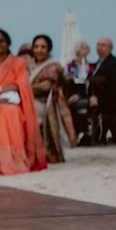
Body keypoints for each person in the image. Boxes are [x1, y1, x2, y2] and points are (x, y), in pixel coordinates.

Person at [0, 29, 47, 175]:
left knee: (9, 112)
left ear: (8, 43)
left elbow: (20, 85)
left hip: (10, 101)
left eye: (2, 41)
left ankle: (10, 160)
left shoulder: (17, 62)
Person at [29, 34, 76, 162]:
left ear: (49, 49)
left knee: (30, 110)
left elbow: (46, 87)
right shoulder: (29, 65)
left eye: (43, 47)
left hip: (46, 103)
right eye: (36, 47)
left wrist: (24, 89)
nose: (39, 50)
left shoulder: (54, 66)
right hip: (28, 99)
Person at [89, 36, 116, 146]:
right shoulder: (99, 63)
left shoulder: (113, 63)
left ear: (110, 48)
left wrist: (98, 99)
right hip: (98, 98)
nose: (100, 48)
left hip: (109, 100)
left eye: (103, 45)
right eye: (98, 45)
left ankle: (97, 136)